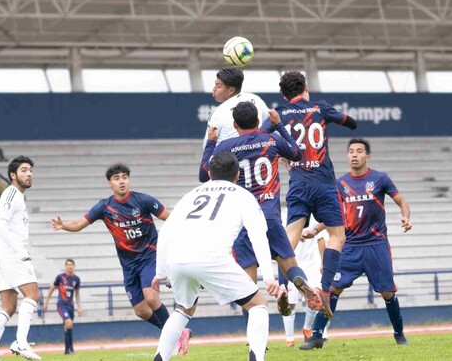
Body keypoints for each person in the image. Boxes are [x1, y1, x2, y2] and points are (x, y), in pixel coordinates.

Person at [50, 163, 191, 355]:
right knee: (141, 311)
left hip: (150, 257)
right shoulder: (104, 206)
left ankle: (175, 334)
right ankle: (179, 332)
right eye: (116, 178)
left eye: (124, 176)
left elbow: (170, 217)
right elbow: (80, 224)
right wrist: (63, 225)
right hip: (128, 265)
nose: (122, 181)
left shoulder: (143, 200)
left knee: (151, 297)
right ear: (110, 183)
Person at [153, 151, 280, 361]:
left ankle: (160, 357)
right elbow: (258, 236)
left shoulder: (191, 195)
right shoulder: (243, 196)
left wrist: (160, 272)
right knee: (257, 305)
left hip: (177, 258)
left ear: (209, 172)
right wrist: (268, 276)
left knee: (183, 309)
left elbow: (165, 232)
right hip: (210, 257)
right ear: (238, 175)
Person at [199, 101, 322, 318]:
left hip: (243, 220)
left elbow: (204, 175)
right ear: (257, 121)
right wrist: (279, 125)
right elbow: (296, 153)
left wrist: (210, 143)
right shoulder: (271, 140)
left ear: (235, 124)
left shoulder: (226, 147)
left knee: (247, 285)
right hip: (270, 215)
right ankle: (299, 283)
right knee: (289, 264)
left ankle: (255, 341)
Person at [260, 70, 358, 318]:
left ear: (283, 94)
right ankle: (325, 289)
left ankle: (283, 286)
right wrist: (334, 117)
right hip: (324, 183)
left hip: (298, 183)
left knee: (288, 239)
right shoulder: (319, 107)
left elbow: (259, 137)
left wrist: (281, 149)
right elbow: (351, 122)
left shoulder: (278, 114)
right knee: (337, 235)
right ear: (305, 86)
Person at [300, 138, 413, 350]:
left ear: (367, 157)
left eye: (359, 151)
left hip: (376, 245)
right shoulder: (341, 184)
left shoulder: (380, 178)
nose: (354, 155)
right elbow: (334, 215)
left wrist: (406, 217)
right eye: (351, 151)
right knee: (333, 289)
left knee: (388, 293)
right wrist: (315, 229)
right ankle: (316, 336)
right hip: (350, 246)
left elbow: (402, 202)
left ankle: (399, 334)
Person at [0, 156, 40, 361]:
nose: (29, 173)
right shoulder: (11, 193)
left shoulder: (17, 196)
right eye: (24, 170)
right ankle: (20, 343)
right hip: (11, 254)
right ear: (13, 175)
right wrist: (20, 252)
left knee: (9, 306)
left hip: (3, 256)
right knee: (32, 294)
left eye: (30, 170)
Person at [281, 213, 328, 348]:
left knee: (315, 298)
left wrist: (323, 262)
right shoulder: (286, 217)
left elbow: (321, 240)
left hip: (311, 265)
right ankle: (289, 339)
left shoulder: (315, 217)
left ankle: (307, 329)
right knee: (290, 302)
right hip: (293, 263)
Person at [202, 67, 270, 147]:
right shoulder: (256, 99)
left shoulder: (218, 112)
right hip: (256, 153)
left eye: (218, 86)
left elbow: (208, 143)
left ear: (231, 90)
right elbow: (271, 121)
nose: (214, 89)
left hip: (228, 157)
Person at [43, 259, 82, 354]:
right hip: (62, 304)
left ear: (74, 266)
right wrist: (46, 302)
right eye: (68, 264)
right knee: (68, 323)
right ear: (65, 266)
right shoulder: (60, 277)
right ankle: (68, 350)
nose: (70, 266)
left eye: (71, 264)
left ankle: (69, 349)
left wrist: (79, 306)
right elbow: (52, 289)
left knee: (69, 326)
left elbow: (77, 294)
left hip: (70, 305)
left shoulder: (76, 279)